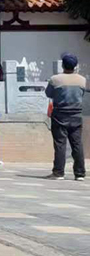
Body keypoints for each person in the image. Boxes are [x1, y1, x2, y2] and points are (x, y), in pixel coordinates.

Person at [46, 52, 86, 180]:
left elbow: (49, 94)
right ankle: (80, 173)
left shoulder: (55, 79)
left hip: (60, 114)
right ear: (75, 66)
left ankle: (58, 172)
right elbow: (82, 94)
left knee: (60, 144)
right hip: (76, 115)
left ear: (62, 65)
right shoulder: (82, 80)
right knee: (77, 144)